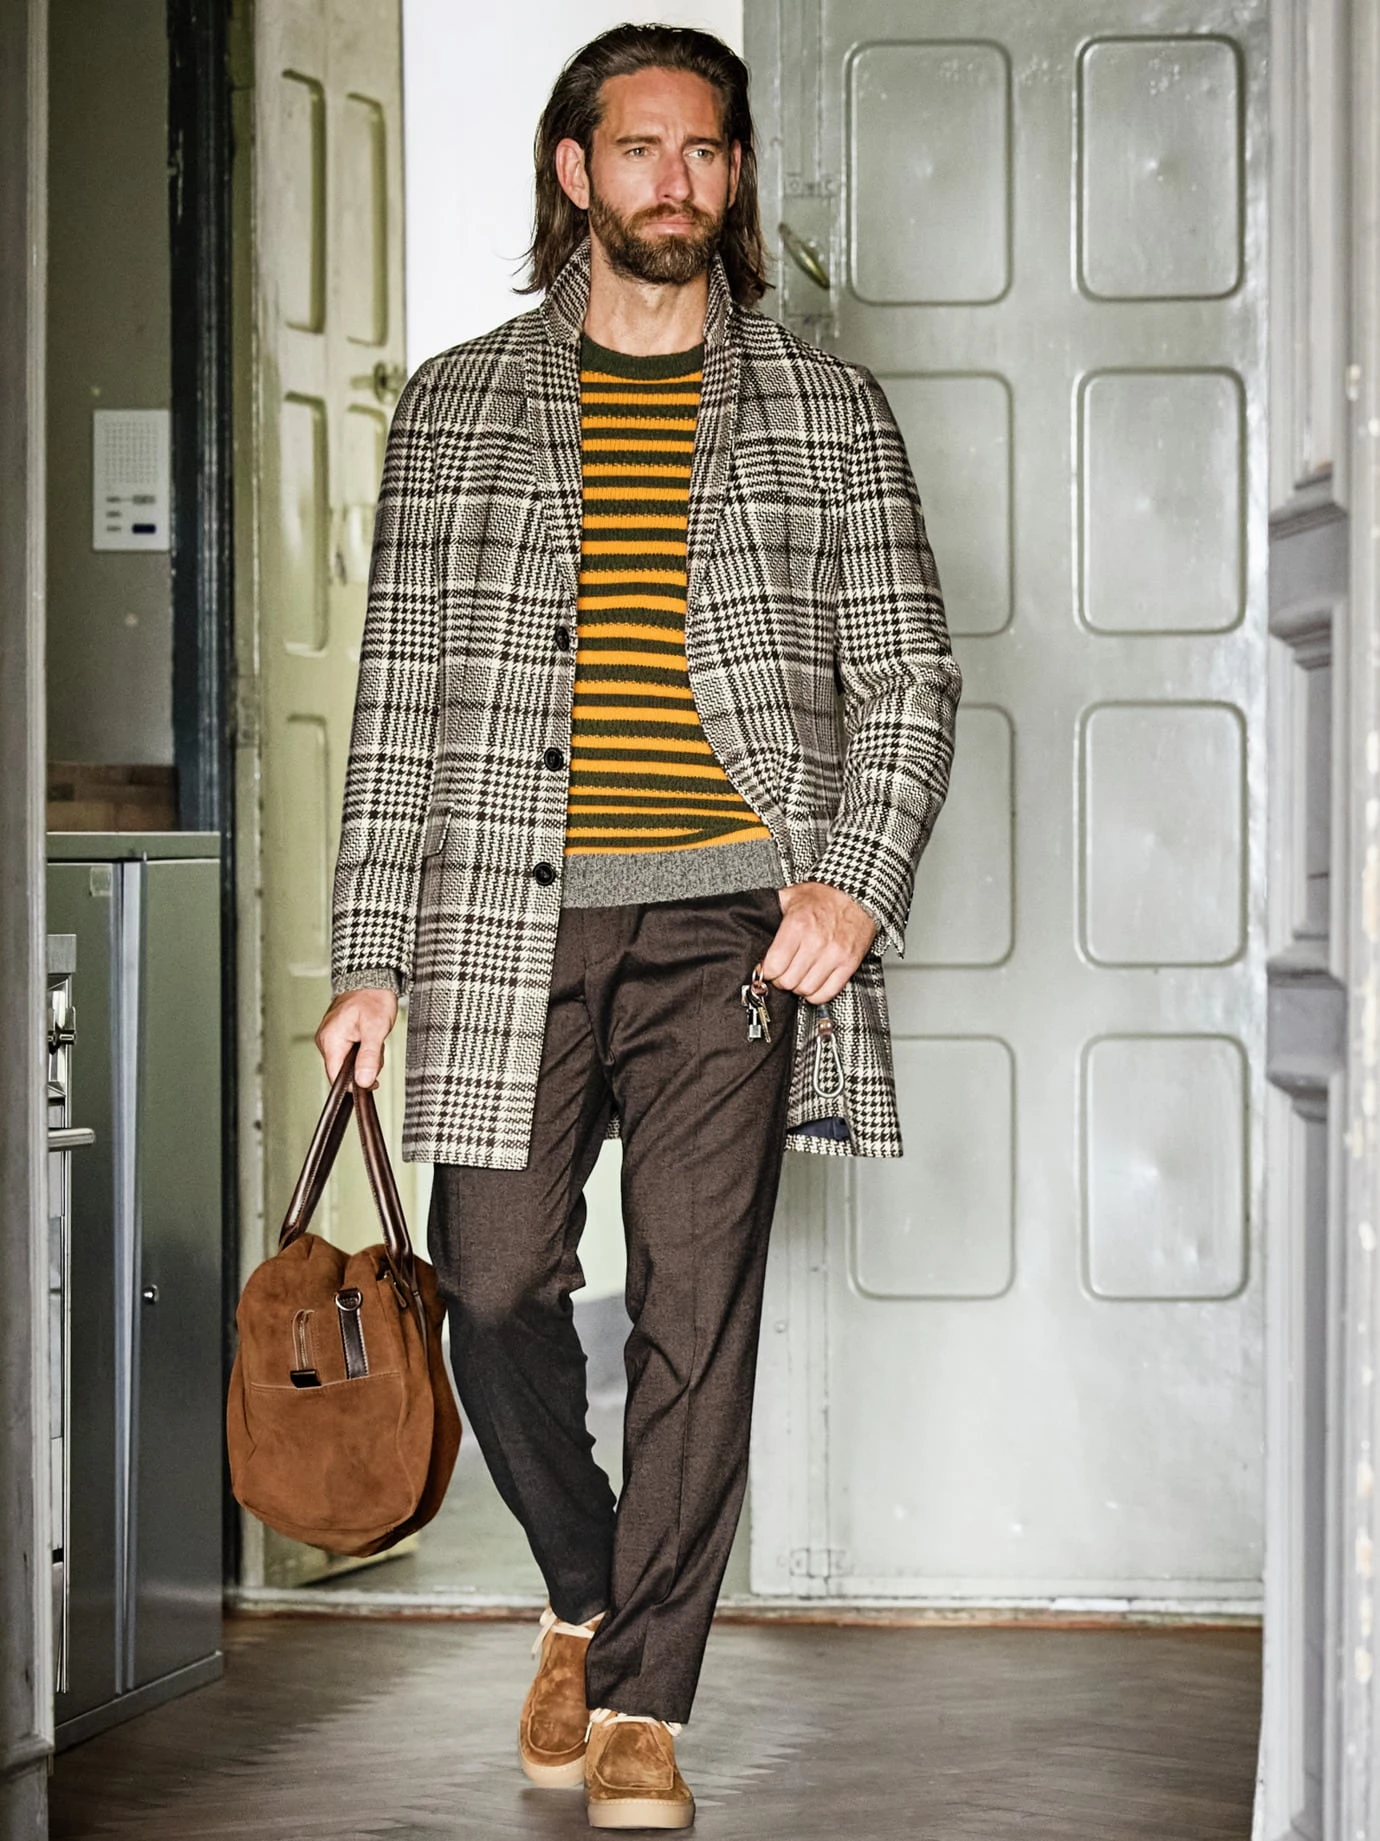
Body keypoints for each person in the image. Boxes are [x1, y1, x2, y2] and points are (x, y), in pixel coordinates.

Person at [316, 22, 959, 1831]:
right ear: (574, 170)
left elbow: (909, 675)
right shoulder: (456, 407)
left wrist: (853, 882)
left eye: (705, 151)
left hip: (733, 932)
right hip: (502, 923)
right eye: (640, 149)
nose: (676, 181)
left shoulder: (827, 410)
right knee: (493, 1283)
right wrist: (369, 956)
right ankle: (592, 1594)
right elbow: (398, 703)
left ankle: (644, 1708)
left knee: (698, 1312)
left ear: (733, 178)